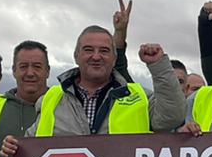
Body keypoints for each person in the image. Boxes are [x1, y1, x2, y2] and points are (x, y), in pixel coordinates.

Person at [35, 26, 186, 135]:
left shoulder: (140, 97)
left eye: (104, 51)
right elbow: (30, 145)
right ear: (76, 56)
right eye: (88, 50)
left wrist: (158, 65)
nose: (96, 56)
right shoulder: (50, 100)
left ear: (114, 59)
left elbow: (172, 117)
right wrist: (14, 147)